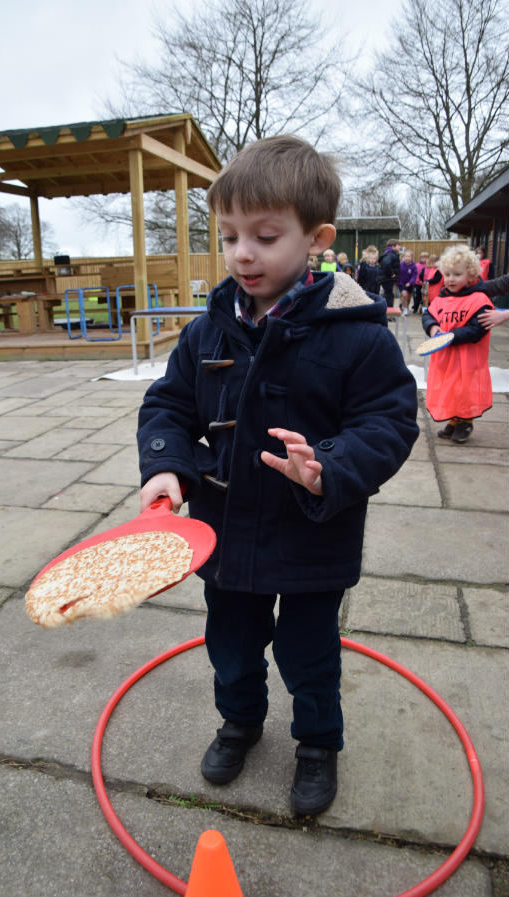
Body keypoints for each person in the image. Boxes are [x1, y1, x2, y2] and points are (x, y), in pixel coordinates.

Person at [137, 135, 419, 817]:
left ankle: (318, 743)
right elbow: (168, 404)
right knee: (231, 644)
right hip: (226, 533)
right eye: (229, 236)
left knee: (308, 651)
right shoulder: (207, 332)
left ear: (317, 239)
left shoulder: (357, 333)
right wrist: (167, 465)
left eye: (264, 237)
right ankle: (239, 722)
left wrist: (330, 465)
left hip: (312, 536)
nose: (242, 253)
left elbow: (389, 420)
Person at [422, 244, 494, 444]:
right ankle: (454, 419)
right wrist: (432, 328)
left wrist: (450, 336)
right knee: (450, 388)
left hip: (467, 358)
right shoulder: (442, 297)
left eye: (457, 274)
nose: (451, 279)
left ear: (470, 275)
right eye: (447, 274)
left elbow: (478, 329)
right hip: (445, 359)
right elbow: (428, 315)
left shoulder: (479, 299)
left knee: (464, 390)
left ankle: (465, 422)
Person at [378, 239, 401, 307]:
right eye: (398, 245)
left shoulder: (389, 253)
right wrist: (392, 274)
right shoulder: (391, 254)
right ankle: (389, 310)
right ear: (393, 246)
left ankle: (387, 309)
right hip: (387, 279)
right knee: (389, 295)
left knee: (388, 294)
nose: (400, 247)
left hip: (386, 278)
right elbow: (386, 264)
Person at [398, 250, 418, 316]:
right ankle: (405, 309)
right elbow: (398, 274)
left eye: (409, 256)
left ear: (412, 258)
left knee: (408, 298)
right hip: (401, 283)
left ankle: (405, 306)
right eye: (406, 256)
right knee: (404, 295)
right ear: (404, 257)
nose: (407, 258)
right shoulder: (401, 265)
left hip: (410, 284)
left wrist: (410, 283)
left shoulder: (414, 266)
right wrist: (399, 282)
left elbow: (414, 276)